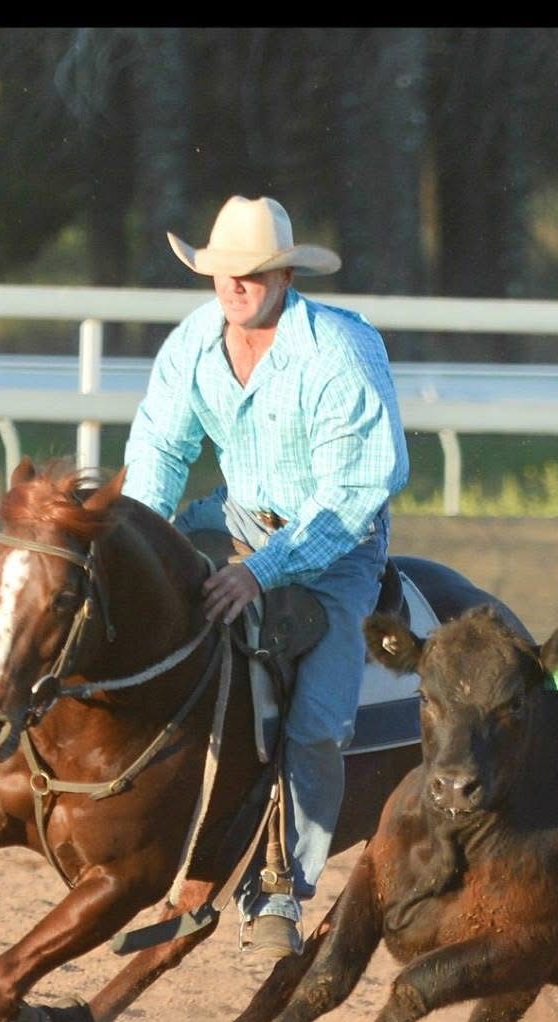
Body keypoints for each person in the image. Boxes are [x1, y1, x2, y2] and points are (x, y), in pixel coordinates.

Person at [122, 194, 408, 962]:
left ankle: (282, 879)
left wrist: (264, 570)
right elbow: (160, 448)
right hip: (235, 516)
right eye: (223, 270)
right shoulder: (194, 343)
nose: (234, 284)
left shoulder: (340, 350)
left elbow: (357, 490)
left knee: (319, 715)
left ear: (284, 275)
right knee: (143, 619)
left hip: (337, 545)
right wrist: (139, 539)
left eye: (250, 272)